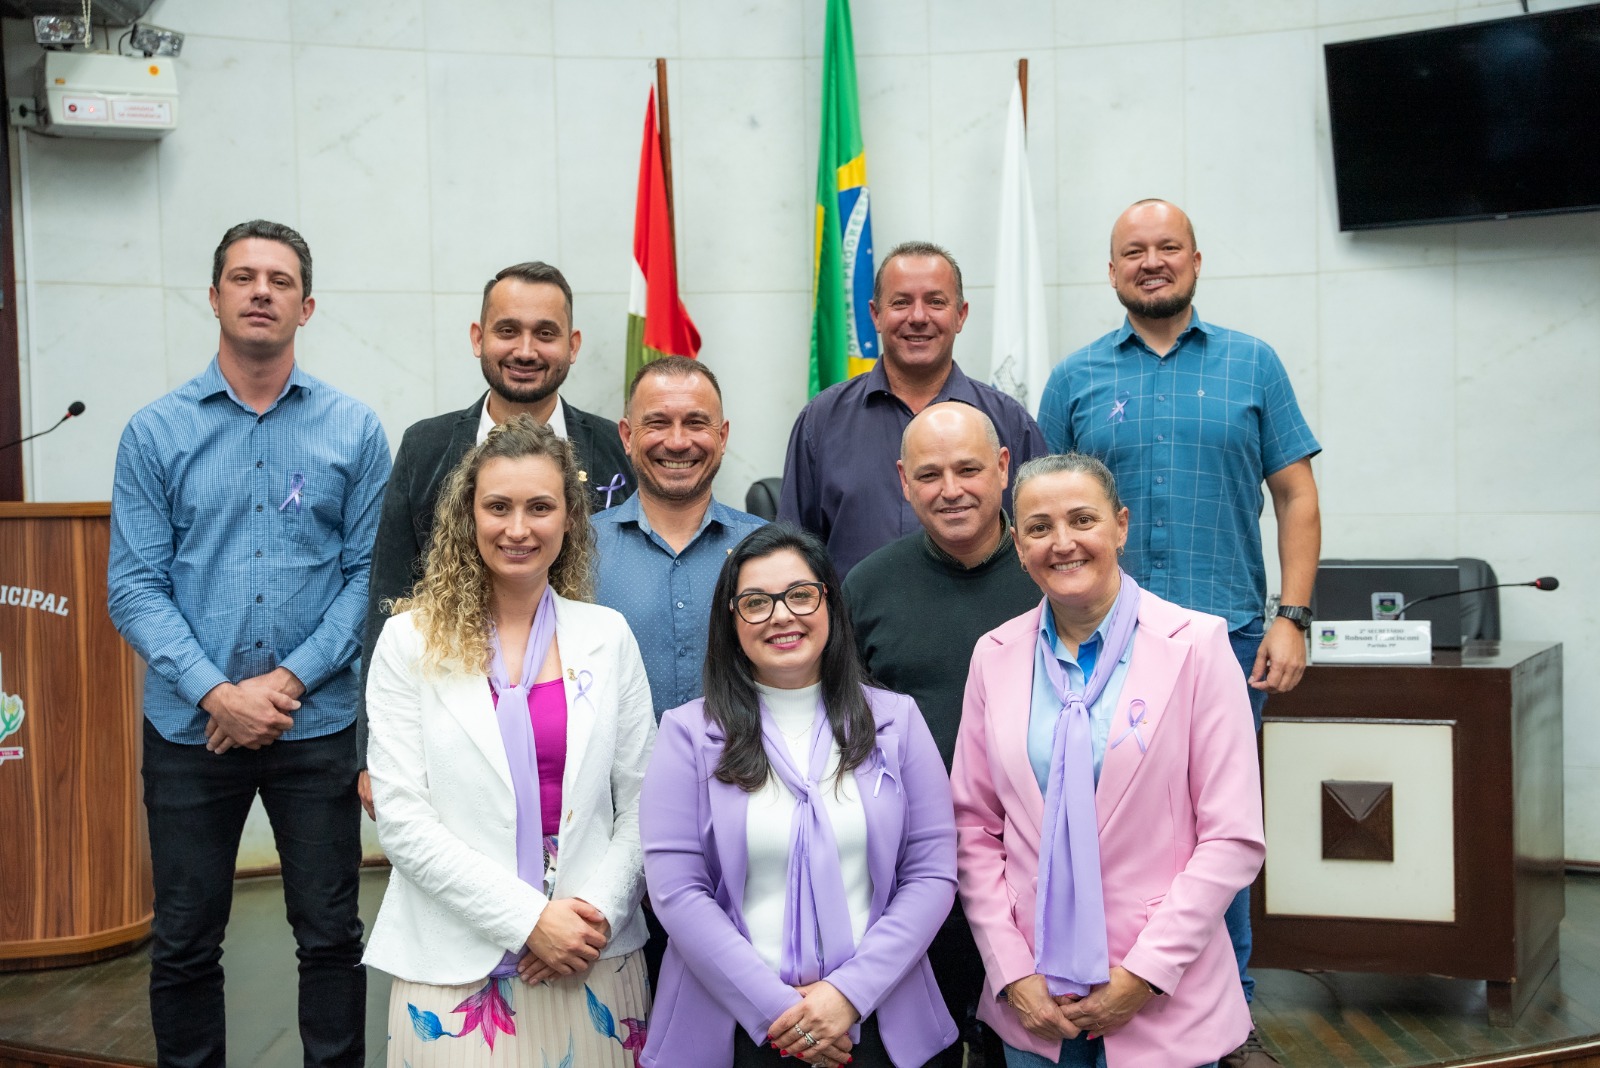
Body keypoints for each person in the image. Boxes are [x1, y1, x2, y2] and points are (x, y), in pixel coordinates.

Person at [1035, 200, 1320, 1065]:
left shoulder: (1252, 364)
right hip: (1091, 651)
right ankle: (1093, 996)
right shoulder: (1076, 377)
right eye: (1133, 251)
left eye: (1167, 248)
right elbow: (1043, 513)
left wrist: (1294, 617)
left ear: (1196, 259)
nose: (1151, 262)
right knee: (1099, 829)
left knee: (1215, 839)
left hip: (1226, 645)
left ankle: (1224, 1022)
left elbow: (1296, 497)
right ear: (1112, 269)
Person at [108, 219, 390, 1067]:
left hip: (317, 730)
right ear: (215, 297)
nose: (260, 291)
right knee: (187, 943)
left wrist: (284, 686)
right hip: (191, 732)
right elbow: (134, 587)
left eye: (277, 280)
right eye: (242, 277)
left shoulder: (355, 430)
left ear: (306, 306)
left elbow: (365, 583)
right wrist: (218, 694)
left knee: (331, 937)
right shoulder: (155, 433)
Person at [951, 454, 1266, 1068]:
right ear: (1018, 545)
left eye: (1082, 519)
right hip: (1035, 1002)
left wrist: (1144, 974)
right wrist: (1011, 971)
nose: (1062, 543)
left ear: (1120, 526)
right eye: (1039, 527)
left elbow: (1232, 838)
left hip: (1161, 994)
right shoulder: (994, 655)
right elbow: (973, 828)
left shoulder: (1197, 646)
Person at [363, 415, 656, 1067]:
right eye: (498, 506)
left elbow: (644, 805)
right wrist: (529, 921)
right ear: (468, 517)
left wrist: (590, 917)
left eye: (539, 507)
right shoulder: (408, 644)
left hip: (592, 956)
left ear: (571, 519)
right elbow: (405, 823)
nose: (518, 528)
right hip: (452, 968)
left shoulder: (607, 638)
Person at [640, 524, 958, 1068]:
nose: (782, 615)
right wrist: (782, 1014)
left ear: (828, 603)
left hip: (879, 1021)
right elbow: (677, 893)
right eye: (757, 602)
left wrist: (847, 996)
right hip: (736, 1029)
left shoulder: (896, 720)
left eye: (800, 595)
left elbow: (931, 874)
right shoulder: (687, 734)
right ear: (731, 620)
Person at [357, 260, 634, 816]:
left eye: (546, 333)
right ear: (478, 338)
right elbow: (388, 595)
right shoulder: (426, 447)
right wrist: (370, 749)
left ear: (573, 345)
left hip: (581, 730)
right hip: (456, 726)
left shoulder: (615, 451)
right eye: (508, 330)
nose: (525, 350)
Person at [844, 401, 1040, 1068]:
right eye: (929, 474)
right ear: (903, 480)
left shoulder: (1053, 576)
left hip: (1037, 877)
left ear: (1004, 468)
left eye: (968, 469)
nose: (950, 489)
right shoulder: (867, 587)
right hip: (912, 880)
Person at [780, 241, 1047, 577]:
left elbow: (1043, 536)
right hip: (855, 628)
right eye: (901, 303)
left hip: (988, 629)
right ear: (876, 315)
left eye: (935, 302)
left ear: (960, 315)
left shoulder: (1009, 421)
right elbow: (792, 556)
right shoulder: (820, 421)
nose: (918, 317)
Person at [594, 356, 767, 720]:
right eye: (657, 423)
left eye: (695, 423)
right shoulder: (578, 549)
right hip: (613, 777)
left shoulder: (767, 551)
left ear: (722, 437)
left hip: (742, 773)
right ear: (626, 436)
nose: (676, 442)